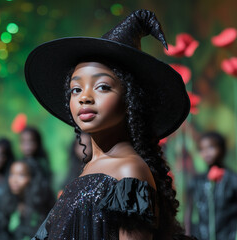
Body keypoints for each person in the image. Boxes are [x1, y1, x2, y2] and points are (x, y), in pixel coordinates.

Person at [24, 9, 196, 240]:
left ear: (130, 100)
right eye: (76, 89)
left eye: (102, 86)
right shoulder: (90, 167)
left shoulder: (129, 171)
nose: (84, 97)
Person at [185, 132, 237, 240]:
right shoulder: (196, 181)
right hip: (201, 235)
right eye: (202, 149)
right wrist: (187, 234)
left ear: (222, 149)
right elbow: (188, 212)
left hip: (227, 235)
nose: (206, 153)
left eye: (211, 147)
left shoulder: (232, 180)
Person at [0, 160, 55, 240]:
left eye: (21, 175)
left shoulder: (41, 205)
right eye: (11, 174)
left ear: (32, 178)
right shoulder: (8, 203)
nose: (14, 180)